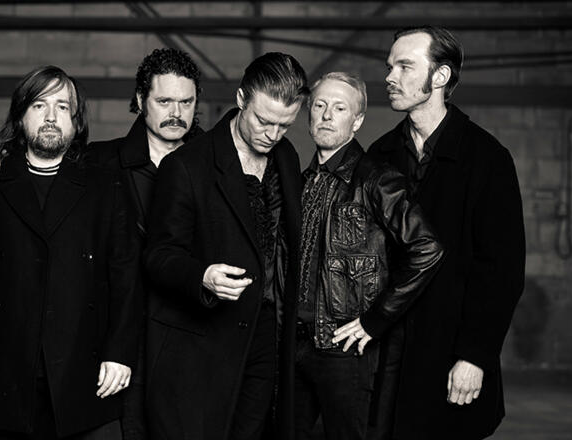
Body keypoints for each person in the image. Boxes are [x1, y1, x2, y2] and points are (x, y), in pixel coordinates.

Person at [0, 48, 204, 440]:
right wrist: (1, 154)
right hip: (111, 332)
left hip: (188, 328)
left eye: (186, 102)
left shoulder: (213, 162)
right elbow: (44, 157)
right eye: (164, 101)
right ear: (140, 100)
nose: (176, 112)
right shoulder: (99, 161)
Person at [0, 65, 140, 439]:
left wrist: (120, 352)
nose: (51, 117)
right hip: (6, 364)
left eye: (63, 107)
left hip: (84, 365)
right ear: (20, 116)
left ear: (76, 121)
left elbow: (125, 276)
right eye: (39, 105)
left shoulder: (105, 186)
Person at [368, 26, 526, 439]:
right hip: (387, 354)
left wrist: (475, 355)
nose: (390, 77)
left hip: (452, 352)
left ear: (439, 76)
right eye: (390, 66)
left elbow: (502, 270)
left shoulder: (487, 159)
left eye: (405, 66)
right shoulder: (379, 155)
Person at [142, 52, 307, 440]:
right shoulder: (187, 166)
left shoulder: (286, 156)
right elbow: (158, 256)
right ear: (240, 99)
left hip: (265, 335)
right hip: (202, 343)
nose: (273, 134)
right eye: (263, 121)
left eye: (285, 125)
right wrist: (202, 275)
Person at [292, 71, 444, 440]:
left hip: (345, 350)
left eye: (339, 108)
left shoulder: (377, 178)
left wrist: (374, 321)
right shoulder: (303, 180)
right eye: (320, 106)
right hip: (295, 344)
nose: (327, 115)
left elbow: (427, 247)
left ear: (357, 120)